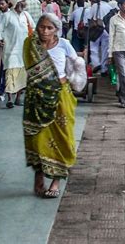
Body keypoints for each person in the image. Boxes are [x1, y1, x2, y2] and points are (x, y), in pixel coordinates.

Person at [23, 12, 80, 198]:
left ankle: (56, 181)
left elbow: (77, 66)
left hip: (61, 97)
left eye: (50, 28)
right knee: (37, 138)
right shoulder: (30, 45)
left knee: (61, 137)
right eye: (42, 27)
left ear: (57, 30)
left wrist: (74, 80)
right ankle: (39, 176)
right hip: (36, 98)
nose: (45, 31)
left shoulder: (64, 44)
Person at [0, 0, 35, 108]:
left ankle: (18, 98)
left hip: (23, 51)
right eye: (23, 1)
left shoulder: (26, 15)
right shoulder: (7, 16)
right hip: (10, 50)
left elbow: (33, 28)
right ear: (17, 3)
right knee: (10, 74)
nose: (25, 3)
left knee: (22, 76)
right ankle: (9, 99)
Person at [108, 0, 125, 108]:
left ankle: (120, 91)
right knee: (122, 75)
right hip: (118, 50)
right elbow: (111, 37)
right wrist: (109, 54)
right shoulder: (113, 19)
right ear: (120, 6)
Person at [86, 0, 110, 76]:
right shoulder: (109, 7)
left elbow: (89, 18)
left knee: (93, 48)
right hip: (106, 31)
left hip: (95, 29)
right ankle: (104, 69)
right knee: (105, 50)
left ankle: (96, 64)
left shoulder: (94, 6)